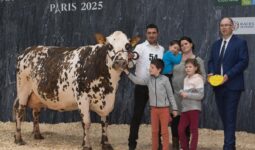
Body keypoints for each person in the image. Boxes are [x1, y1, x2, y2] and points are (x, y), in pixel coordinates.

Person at [207, 17, 249, 150]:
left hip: (233, 86)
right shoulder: (215, 44)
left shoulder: (240, 43)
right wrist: (211, 73)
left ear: (233, 27)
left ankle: (228, 146)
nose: (224, 28)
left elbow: (243, 61)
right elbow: (211, 62)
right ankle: (231, 143)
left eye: (227, 25)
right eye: (221, 25)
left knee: (230, 116)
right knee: (225, 117)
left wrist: (228, 75)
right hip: (218, 87)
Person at [124, 58, 178, 150]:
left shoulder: (165, 80)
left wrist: (175, 109)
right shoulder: (148, 79)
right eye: (150, 66)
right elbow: (137, 81)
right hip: (153, 110)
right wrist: (127, 72)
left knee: (164, 132)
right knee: (154, 131)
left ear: (159, 69)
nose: (149, 69)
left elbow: (170, 95)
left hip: (164, 110)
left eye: (152, 67)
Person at [128, 24, 164, 150]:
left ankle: (158, 144)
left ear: (157, 34)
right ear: (146, 34)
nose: (151, 35)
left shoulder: (162, 49)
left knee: (158, 115)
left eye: (154, 32)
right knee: (137, 115)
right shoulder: (140, 47)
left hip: (156, 86)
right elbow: (132, 62)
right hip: (141, 86)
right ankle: (132, 144)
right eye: (149, 33)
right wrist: (130, 58)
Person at [171, 36, 206, 150]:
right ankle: (176, 145)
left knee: (187, 125)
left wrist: (191, 90)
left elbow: (203, 78)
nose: (183, 46)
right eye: (181, 45)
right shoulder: (176, 58)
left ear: (191, 44)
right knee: (176, 122)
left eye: (186, 43)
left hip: (189, 98)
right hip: (176, 95)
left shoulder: (198, 60)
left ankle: (185, 146)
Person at [178, 58, 204, 150]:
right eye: (186, 67)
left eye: (190, 67)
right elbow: (186, 93)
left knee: (193, 130)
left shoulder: (198, 79)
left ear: (196, 68)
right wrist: (182, 92)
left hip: (194, 108)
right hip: (185, 108)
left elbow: (200, 95)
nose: (187, 69)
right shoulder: (185, 79)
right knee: (180, 129)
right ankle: (184, 147)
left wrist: (187, 94)